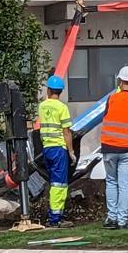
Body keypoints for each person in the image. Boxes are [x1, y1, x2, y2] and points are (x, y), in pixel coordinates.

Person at [102, 66, 128, 229]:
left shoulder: (111, 99)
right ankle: (122, 220)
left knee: (111, 182)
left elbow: (105, 117)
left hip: (109, 146)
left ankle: (111, 218)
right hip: (127, 149)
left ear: (120, 81)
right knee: (125, 185)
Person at [38, 75, 75, 228]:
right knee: (59, 184)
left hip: (47, 148)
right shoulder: (62, 108)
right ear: (60, 91)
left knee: (54, 182)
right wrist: (71, 151)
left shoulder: (42, 106)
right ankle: (55, 218)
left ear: (48, 90)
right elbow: (66, 132)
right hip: (59, 149)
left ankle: (57, 215)